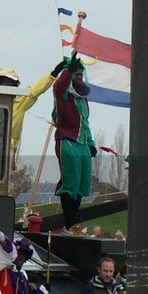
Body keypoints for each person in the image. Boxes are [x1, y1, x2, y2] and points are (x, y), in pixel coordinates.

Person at [51, 53, 95, 230]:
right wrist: (68, 69)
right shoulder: (64, 96)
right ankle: (69, 223)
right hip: (67, 140)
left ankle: (73, 223)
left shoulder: (82, 98)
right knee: (70, 183)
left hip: (83, 143)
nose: (79, 78)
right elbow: (59, 86)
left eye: (80, 75)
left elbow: (85, 122)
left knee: (82, 185)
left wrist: (91, 143)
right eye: (76, 75)